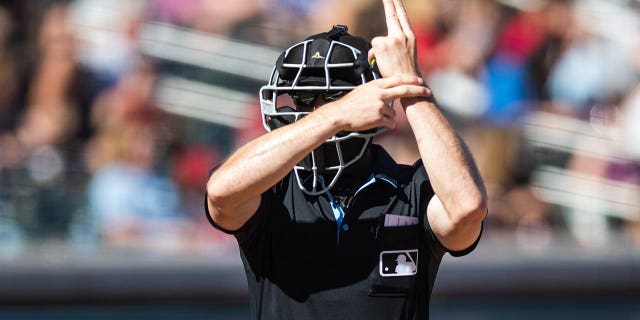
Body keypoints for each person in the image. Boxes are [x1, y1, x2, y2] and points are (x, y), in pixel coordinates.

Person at [205, 0, 487, 318]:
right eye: (304, 97)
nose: (314, 108)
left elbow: (466, 209)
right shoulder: (273, 190)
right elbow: (220, 194)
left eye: (335, 95)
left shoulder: (409, 189)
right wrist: (335, 115)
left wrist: (408, 85)